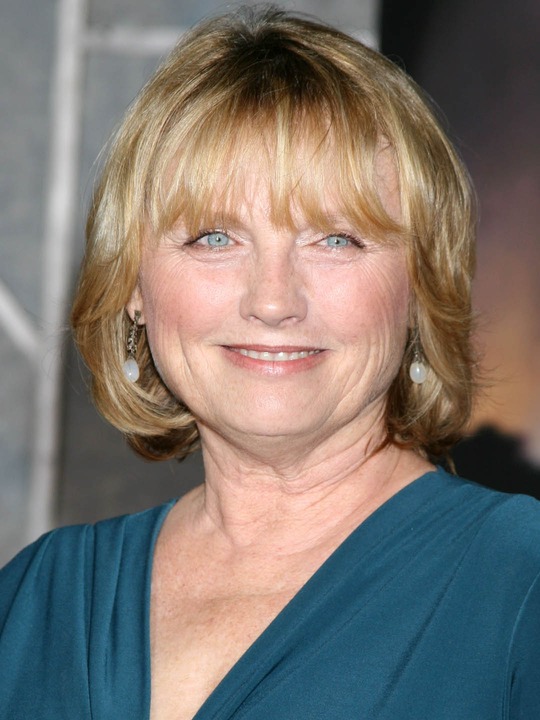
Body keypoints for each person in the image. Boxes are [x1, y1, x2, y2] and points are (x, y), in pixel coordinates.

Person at [1, 5, 539, 719]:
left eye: (337, 239)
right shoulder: (34, 601)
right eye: (214, 238)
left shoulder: (519, 583)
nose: (274, 300)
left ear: (420, 288)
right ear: (133, 286)